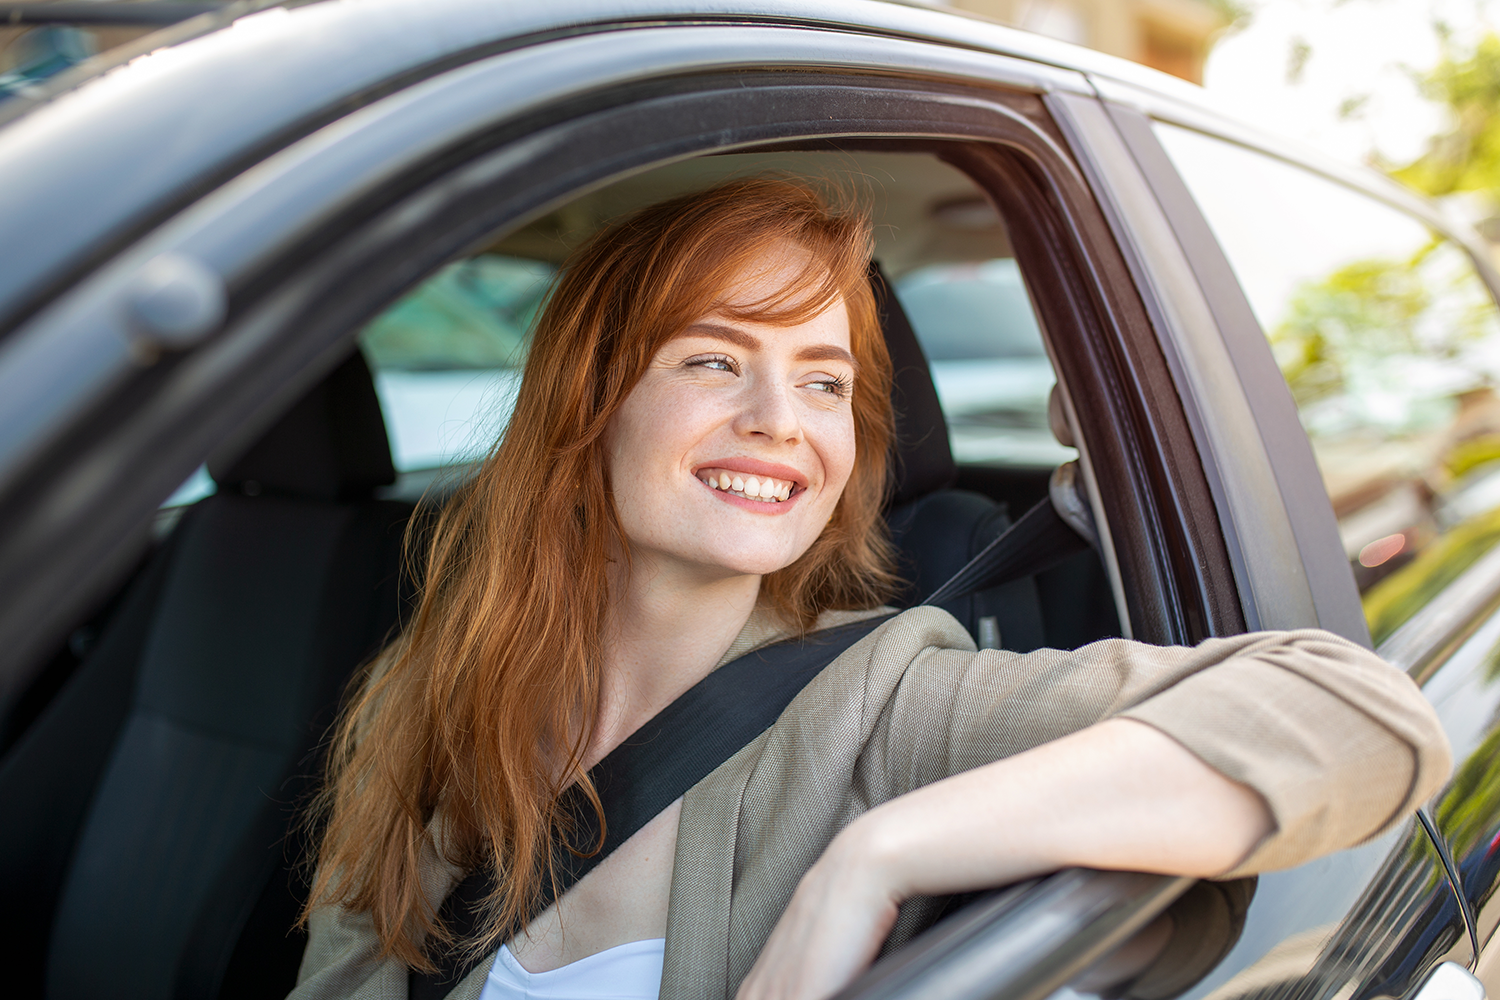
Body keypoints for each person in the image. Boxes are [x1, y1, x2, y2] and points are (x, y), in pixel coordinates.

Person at [291, 178, 1452, 1000]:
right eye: (714, 359)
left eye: (825, 381)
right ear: (587, 405)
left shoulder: (888, 696)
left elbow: (1359, 716)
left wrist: (878, 855)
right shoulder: (435, 686)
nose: (779, 422)